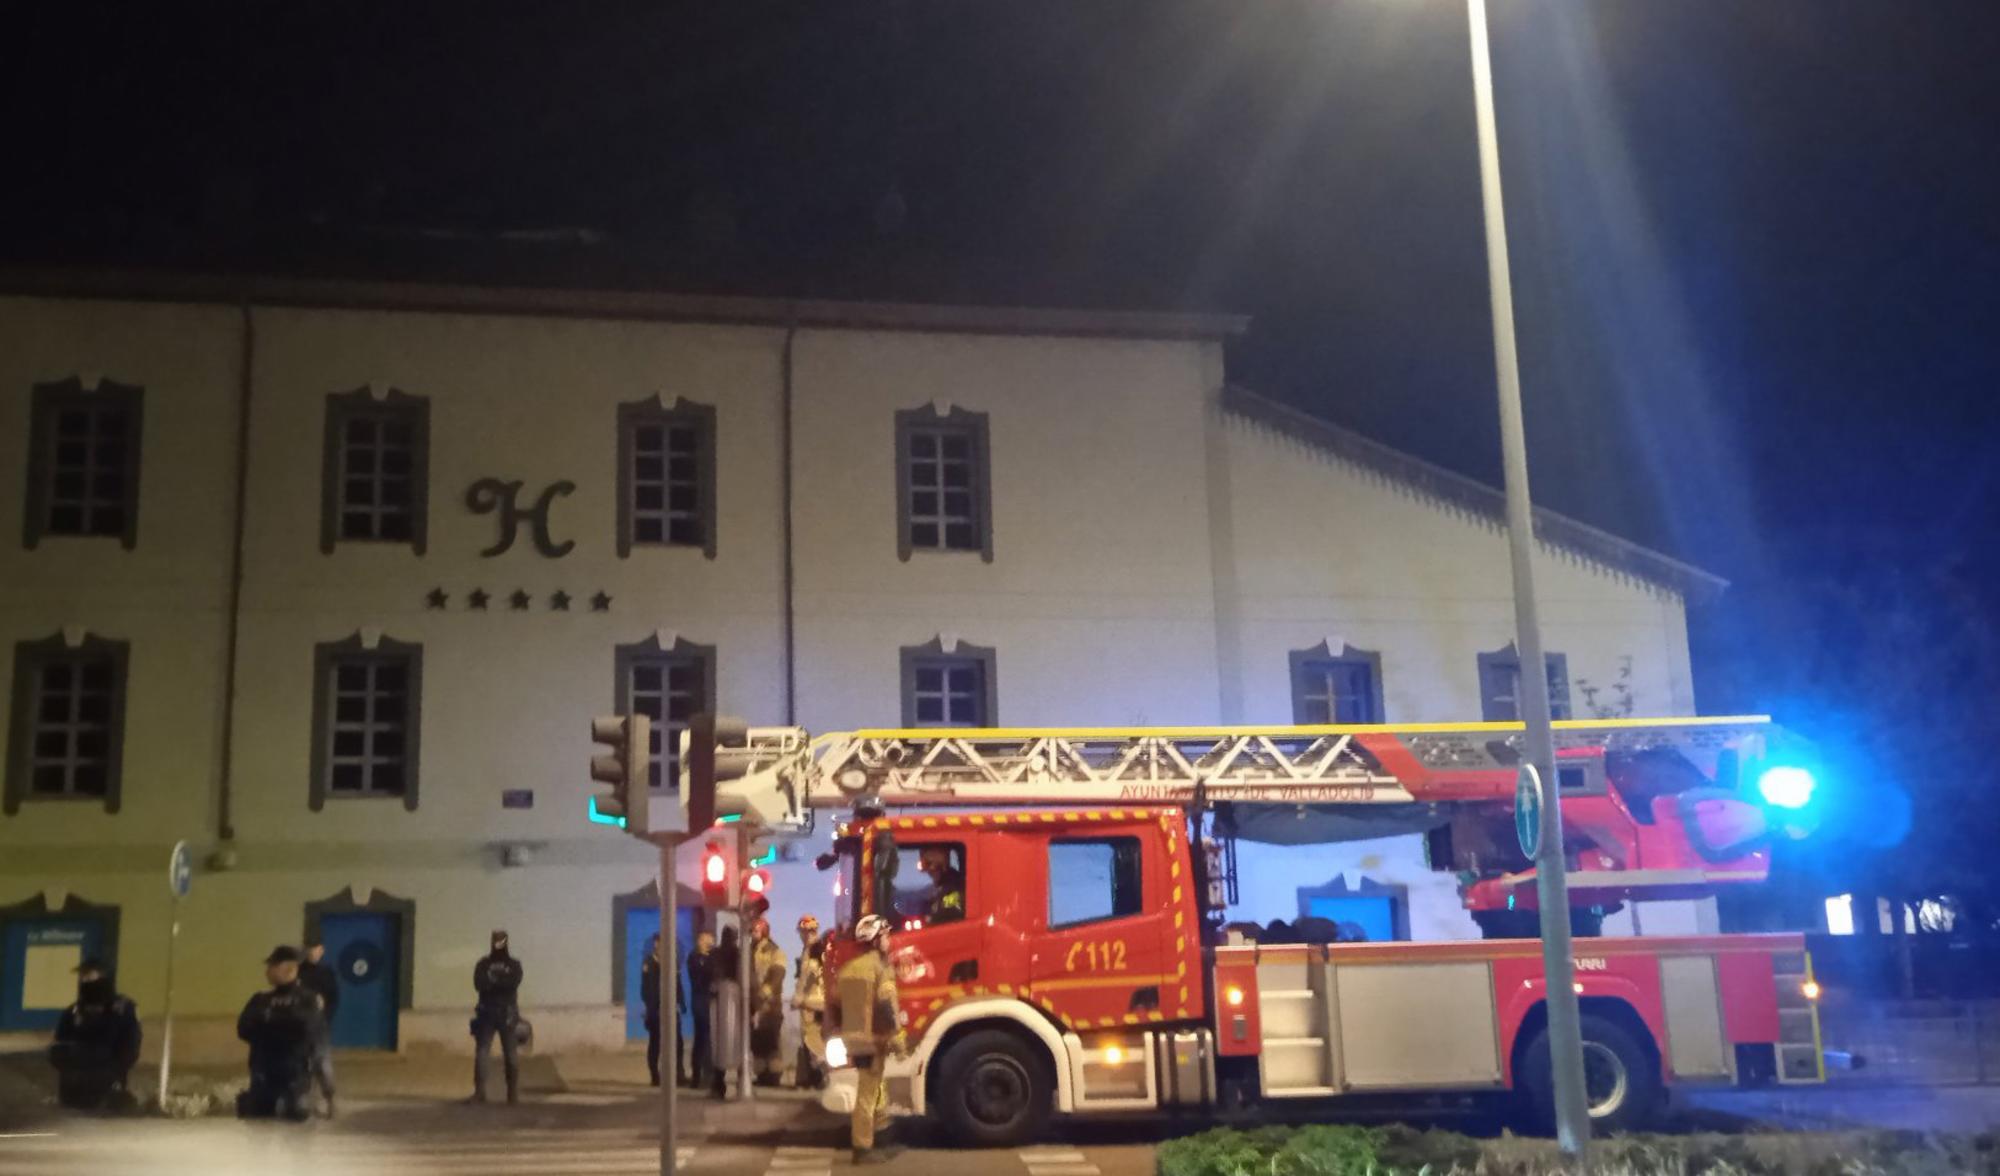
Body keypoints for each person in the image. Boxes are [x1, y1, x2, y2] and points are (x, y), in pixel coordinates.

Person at [833, 914, 906, 1164]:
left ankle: (883, 1137)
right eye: (885, 935)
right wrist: (897, 1039)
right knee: (867, 1095)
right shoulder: (880, 967)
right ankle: (862, 1149)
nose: (889, 940)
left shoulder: (847, 970)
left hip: (853, 1039)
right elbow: (886, 1006)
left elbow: (835, 1003)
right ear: (875, 940)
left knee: (876, 1091)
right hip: (873, 1040)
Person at [237, 946, 324, 1121]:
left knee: (296, 1124)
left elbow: (306, 1029)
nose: (267, 972)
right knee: (259, 1124)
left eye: (271, 966)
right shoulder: (260, 999)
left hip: (294, 1072)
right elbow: (244, 1029)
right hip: (264, 1072)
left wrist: (268, 1023)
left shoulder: (307, 999)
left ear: (289, 968)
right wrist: (280, 1023)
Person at [48, 958, 140, 1111]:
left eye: (89, 976)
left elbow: (131, 1043)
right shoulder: (75, 1009)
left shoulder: (122, 1008)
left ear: (104, 977)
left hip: (108, 1074)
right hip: (76, 1081)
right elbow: (60, 1041)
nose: (84, 980)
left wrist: (117, 1068)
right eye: (82, 977)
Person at [470, 929, 524, 1105]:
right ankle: (510, 1094)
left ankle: (483, 1093)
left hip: (492, 1011)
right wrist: (501, 982)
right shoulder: (512, 965)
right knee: (505, 1053)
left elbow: (484, 984)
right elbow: (482, 984)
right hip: (502, 1012)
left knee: (487, 1052)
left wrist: (492, 981)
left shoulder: (485, 965)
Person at [297, 937, 340, 1117]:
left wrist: (325, 1017)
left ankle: (330, 1100)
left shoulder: (326, 973)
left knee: (322, 1063)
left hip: (319, 1024)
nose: (312, 953)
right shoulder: (298, 972)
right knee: (301, 1065)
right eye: (309, 949)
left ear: (321, 950)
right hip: (299, 1025)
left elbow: (334, 998)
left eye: (315, 949)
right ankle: (304, 1102)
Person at [748, 918, 789, 1086]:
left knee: (771, 1043)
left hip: (771, 1006)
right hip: (752, 1005)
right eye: (752, 931)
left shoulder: (775, 951)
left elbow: (777, 976)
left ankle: (774, 1076)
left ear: (764, 931)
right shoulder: (748, 950)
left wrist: (765, 993)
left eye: (756, 931)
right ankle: (761, 1075)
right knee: (756, 1043)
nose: (753, 934)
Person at [791, 915, 826, 1090]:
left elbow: (810, 978)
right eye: (804, 932)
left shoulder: (818, 950)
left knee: (814, 1041)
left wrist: (799, 998)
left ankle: (818, 1077)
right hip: (810, 1003)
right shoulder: (809, 950)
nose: (805, 935)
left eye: (809, 931)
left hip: (814, 1003)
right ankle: (811, 1077)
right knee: (809, 1040)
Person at [707, 927, 742, 1097]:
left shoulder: (715, 953)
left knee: (719, 1040)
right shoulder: (738, 953)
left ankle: (718, 1083)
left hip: (719, 998)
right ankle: (739, 1082)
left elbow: (709, 975)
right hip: (734, 997)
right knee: (735, 1040)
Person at [683, 929, 715, 1089]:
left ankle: (707, 1075)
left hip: (710, 1003)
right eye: (706, 939)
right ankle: (698, 1075)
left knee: (708, 1040)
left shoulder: (711, 957)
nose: (709, 942)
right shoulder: (695, 957)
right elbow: (702, 977)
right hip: (701, 1002)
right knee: (703, 1040)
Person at [916, 846, 966, 924]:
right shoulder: (944, 887)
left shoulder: (953, 889)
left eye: (929, 865)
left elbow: (946, 919)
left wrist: (930, 921)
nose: (929, 873)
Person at [640, 932, 663, 1087]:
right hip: (654, 1011)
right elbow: (644, 988)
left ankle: (671, 1074)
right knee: (654, 1043)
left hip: (667, 1010)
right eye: (658, 942)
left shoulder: (669, 961)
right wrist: (650, 1005)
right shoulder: (648, 962)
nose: (659, 946)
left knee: (670, 1044)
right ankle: (654, 1075)